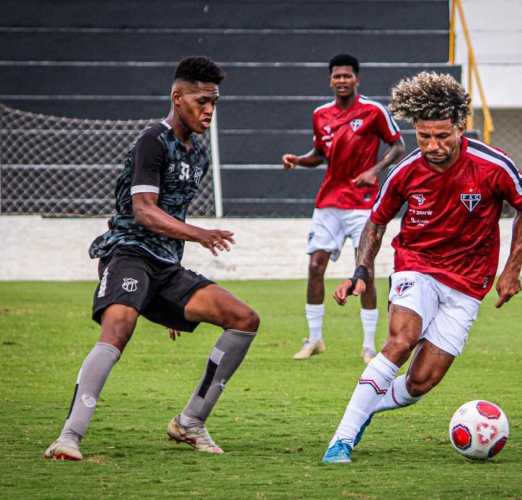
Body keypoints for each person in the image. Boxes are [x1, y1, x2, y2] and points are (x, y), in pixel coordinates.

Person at [43, 56, 260, 461]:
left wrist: (170, 307)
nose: (209, 110)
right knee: (119, 328)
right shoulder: (152, 141)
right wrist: (201, 234)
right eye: (201, 101)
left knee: (244, 319)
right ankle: (69, 437)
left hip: (165, 266)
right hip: (128, 253)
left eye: (214, 102)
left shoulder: (199, 155)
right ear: (177, 97)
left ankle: (190, 422)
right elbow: (144, 210)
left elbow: (172, 217)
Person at [321, 72, 522, 463]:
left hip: (469, 283)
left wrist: (512, 270)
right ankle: (342, 439)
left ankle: (365, 407)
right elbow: (377, 220)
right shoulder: (405, 171)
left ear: (460, 127)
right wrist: (361, 270)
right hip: (416, 266)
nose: (433, 146)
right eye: (424, 137)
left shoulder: (493, 165)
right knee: (400, 341)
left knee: (421, 381)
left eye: (442, 136)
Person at [282, 54, 405, 363]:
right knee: (315, 267)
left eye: (347, 76)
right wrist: (298, 160)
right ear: (330, 81)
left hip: (363, 204)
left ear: (356, 80)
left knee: (365, 271)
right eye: (336, 76)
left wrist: (375, 170)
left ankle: (368, 346)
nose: (341, 80)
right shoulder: (320, 114)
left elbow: (398, 145)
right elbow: (320, 155)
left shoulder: (374, 111)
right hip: (328, 203)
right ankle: (314, 339)